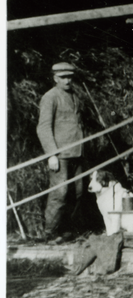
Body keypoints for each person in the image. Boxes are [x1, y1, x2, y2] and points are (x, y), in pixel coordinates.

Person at [37, 62, 84, 242]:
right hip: (60, 154)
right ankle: (50, 233)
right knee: (59, 193)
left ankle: (66, 231)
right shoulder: (50, 97)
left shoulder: (75, 96)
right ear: (55, 78)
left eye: (70, 77)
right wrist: (52, 154)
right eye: (63, 77)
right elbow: (43, 128)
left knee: (77, 193)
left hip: (77, 152)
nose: (67, 81)